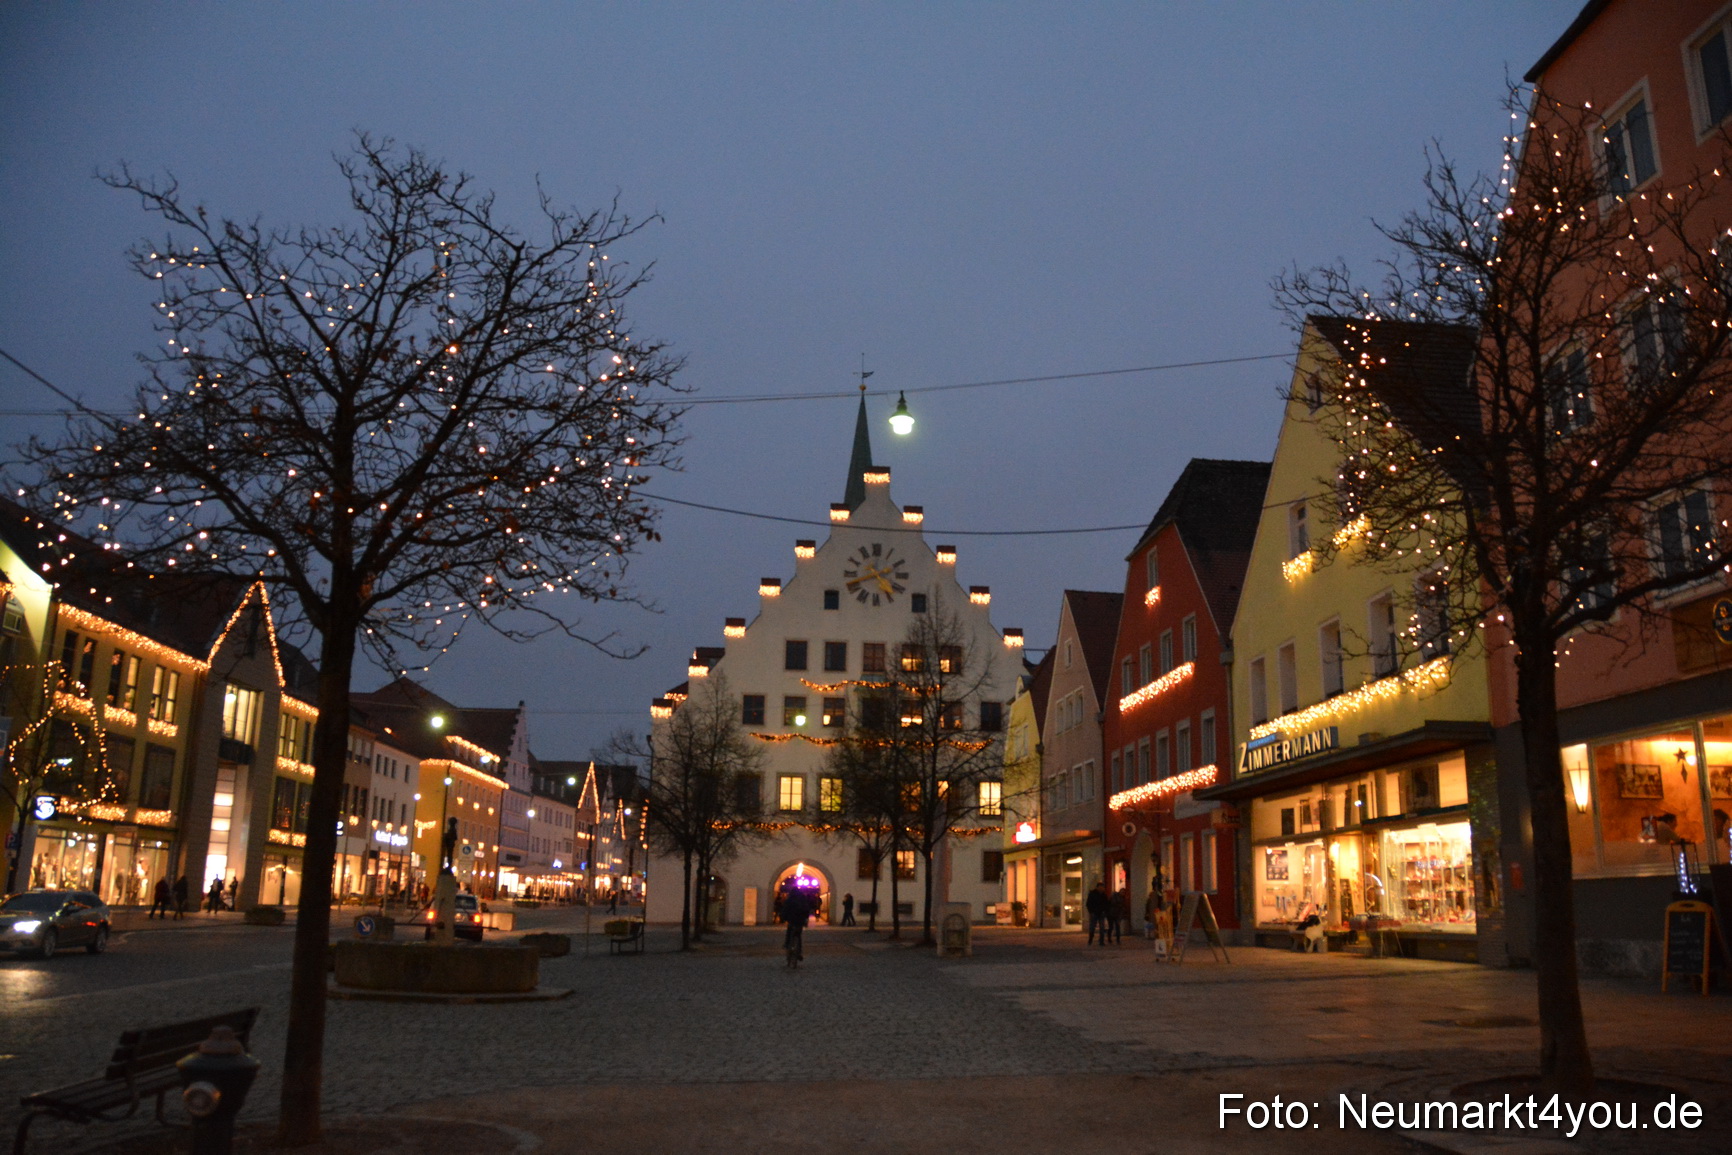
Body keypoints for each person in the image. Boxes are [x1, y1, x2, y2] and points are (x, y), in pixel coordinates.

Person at [781, 884, 816, 964]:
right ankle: (799, 952)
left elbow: (785, 909)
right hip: (800, 920)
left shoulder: (789, 899)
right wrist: (806, 918)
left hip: (792, 920)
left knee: (789, 933)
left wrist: (783, 918)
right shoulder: (802, 899)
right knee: (798, 935)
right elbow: (806, 909)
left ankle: (787, 944)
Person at [1084, 881, 1110, 946]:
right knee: (1092, 927)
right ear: (1098, 887)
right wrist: (1091, 912)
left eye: (1103, 887)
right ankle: (1090, 939)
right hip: (1094, 913)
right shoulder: (1092, 894)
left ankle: (1101, 941)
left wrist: (1105, 911)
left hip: (1101, 913)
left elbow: (1106, 904)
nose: (1102, 888)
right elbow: (1088, 904)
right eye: (1101, 887)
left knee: (1102, 927)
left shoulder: (1104, 895)